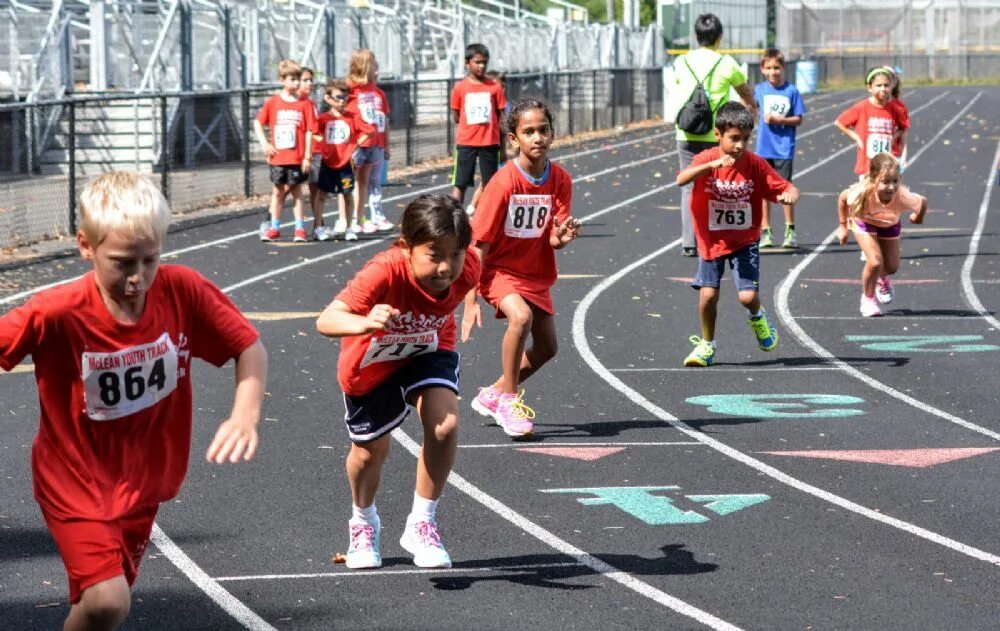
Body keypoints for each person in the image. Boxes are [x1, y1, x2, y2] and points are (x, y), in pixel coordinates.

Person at [0, 171, 267, 631]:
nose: (138, 277)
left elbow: (249, 347)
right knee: (108, 601)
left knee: (99, 607)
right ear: (86, 245)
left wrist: (245, 415)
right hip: (74, 480)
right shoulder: (57, 311)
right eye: (123, 263)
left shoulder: (182, 291)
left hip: (145, 482)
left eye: (150, 260)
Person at [316, 194, 480, 570]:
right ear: (407, 247)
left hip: (428, 349)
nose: (446, 267)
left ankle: (422, 522)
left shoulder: (467, 267)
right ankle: (363, 522)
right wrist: (363, 322)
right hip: (372, 362)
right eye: (434, 254)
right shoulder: (383, 271)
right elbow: (326, 320)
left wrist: (472, 303)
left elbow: (475, 269)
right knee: (368, 453)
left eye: (455, 254)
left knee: (445, 425)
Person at [461, 98, 581, 437]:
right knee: (521, 318)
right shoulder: (502, 183)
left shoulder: (559, 180)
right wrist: (469, 301)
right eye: (528, 132)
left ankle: (495, 393)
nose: (537, 137)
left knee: (547, 349)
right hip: (498, 271)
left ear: (552, 134)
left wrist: (563, 236)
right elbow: (479, 245)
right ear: (514, 139)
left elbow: (553, 239)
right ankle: (510, 401)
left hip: (535, 273)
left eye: (543, 130)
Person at [676, 102, 798, 367]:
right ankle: (707, 344)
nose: (740, 145)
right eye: (734, 139)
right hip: (711, 240)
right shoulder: (706, 158)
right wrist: (712, 166)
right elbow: (681, 179)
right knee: (708, 295)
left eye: (745, 139)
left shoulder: (754, 164)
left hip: (744, 240)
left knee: (747, 297)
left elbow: (786, 186)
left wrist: (789, 195)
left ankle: (758, 316)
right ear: (718, 135)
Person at [669, 13, 758, 257]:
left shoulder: (682, 62)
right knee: (718, 185)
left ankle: (689, 241)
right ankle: (713, 237)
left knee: (688, 186)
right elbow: (745, 91)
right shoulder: (726, 63)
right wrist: (752, 106)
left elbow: (679, 86)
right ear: (719, 37)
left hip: (686, 131)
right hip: (717, 134)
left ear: (696, 37)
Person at [836, 152, 927, 317]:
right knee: (875, 261)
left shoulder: (903, 196)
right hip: (864, 223)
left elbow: (922, 202)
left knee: (892, 267)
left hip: (889, 225)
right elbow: (842, 199)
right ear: (873, 179)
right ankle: (868, 300)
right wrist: (843, 227)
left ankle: (880, 278)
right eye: (885, 182)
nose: (891, 187)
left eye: (895, 181)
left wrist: (917, 217)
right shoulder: (862, 192)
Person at [254, 58, 317, 242]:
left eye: (298, 79)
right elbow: (258, 122)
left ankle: (299, 228)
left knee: (297, 191)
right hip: (278, 157)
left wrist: (307, 156)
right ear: (282, 80)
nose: (296, 83)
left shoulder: (304, 104)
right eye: (292, 79)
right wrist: (265, 144)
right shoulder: (273, 102)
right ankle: (274, 226)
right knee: (277, 191)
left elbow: (309, 131)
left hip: (296, 157)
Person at [753, 48, 806, 249]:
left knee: (785, 190)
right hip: (764, 148)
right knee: (763, 192)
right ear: (762, 69)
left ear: (783, 68)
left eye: (776, 67)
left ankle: (790, 230)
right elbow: (749, 106)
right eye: (768, 68)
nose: (773, 72)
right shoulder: (760, 90)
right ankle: (766, 232)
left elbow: (799, 119)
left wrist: (780, 120)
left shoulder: (791, 91)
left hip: (784, 148)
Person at [450, 44, 508, 210]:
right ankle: (455, 218)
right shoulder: (460, 87)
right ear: (467, 63)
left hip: (489, 142)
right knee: (460, 183)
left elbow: (502, 116)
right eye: (477, 62)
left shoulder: (495, 88)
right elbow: (456, 115)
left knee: (490, 184)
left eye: (484, 62)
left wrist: (504, 146)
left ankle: (488, 217)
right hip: (466, 142)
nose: (481, 66)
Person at [316, 80, 375, 242]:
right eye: (338, 97)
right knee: (322, 194)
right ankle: (318, 227)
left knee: (347, 194)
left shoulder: (352, 117)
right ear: (328, 99)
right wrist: (323, 145)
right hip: (328, 162)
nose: (342, 101)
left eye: (345, 97)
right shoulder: (323, 119)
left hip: (345, 163)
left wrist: (355, 144)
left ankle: (350, 227)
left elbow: (370, 130)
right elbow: (312, 132)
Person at [344, 49, 394, 234]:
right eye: (374, 66)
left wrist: (386, 144)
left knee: (370, 180)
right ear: (365, 66)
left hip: (375, 143)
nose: (377, 70)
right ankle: (352, 217)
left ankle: (370, 216)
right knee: (352, 181)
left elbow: (384, 120)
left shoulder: (378, 93)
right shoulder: (350, 89)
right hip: (358, 142)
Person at [835, 66, 909, 179]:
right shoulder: (862, 107)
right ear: (869, 88)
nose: (883, 89)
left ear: (891, 87)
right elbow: (839, 122)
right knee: (866, 194)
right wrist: (855, 137)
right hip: (867, 164)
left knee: (887, 192)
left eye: (886, 85)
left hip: (887, 162)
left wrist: (894, 137)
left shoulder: (894, 108)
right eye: (878, 86)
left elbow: (903, 127)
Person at [466, 69, 509, 217]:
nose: (501, 89)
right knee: (488, 184)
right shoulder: (486, 101)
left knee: (495, 184)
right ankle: (472, 209)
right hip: (489, 148)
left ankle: (489, 212)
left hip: (500, 150)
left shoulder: (504, 104)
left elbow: (505, 129)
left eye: (503, 86)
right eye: (499, 85)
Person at [297, 67, 331, 241]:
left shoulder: (310, 103)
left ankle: (319, 224)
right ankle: (272, 223)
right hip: (302, 154)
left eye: (311, 80)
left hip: (315, 151)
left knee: (316, 189)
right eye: (305, 80)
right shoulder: (298, 104)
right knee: (287, 189)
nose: (309, 83)